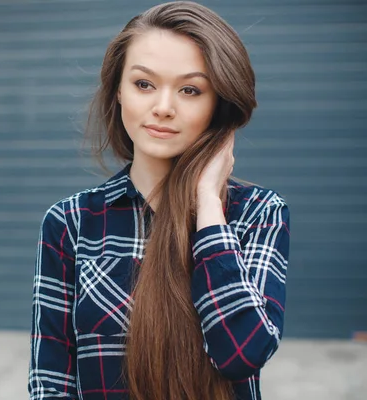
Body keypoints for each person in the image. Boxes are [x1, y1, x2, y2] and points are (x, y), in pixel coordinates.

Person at [28, 2, 290, 399]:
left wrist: (208, 208)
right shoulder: (71, 222)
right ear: (118, 90)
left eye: (190, 90)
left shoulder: (258, 213)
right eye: (144, 84)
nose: (163, 108)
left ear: (217, 103)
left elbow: (242, 353)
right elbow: (50, 380)